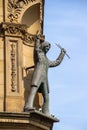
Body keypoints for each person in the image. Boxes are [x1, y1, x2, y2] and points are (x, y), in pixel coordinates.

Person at [24, 34, 66, 115]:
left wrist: (62, 54)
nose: (47, 49)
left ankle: (46, 111)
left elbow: (56, 62)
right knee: (33, 91)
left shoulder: (47, 60)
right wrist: (37, 40)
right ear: (43, 47)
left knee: (46, 97)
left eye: (48, 48)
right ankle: (28, 106)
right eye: (46, 47)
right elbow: (36, 49)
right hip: (38, 76)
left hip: (44, 79)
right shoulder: (38, 55)